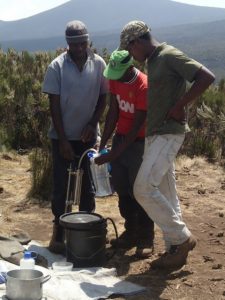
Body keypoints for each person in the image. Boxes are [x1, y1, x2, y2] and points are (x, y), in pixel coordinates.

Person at [119, 20, 215, 269]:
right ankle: (174, 247)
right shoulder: (154, 59)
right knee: (166, 193)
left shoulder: (169, 54)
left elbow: (206, 77)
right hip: (156, 134)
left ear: (137, 42)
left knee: (142, 189)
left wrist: (181, 105)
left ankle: (182, 239)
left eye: (130, 50)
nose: (131, 56)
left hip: (168, 133)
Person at [42, 20, 108, 254]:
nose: (79, 48)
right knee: (61, 185)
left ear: (88, 40)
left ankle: (86, 231)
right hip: (63, 136)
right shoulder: (57, 66)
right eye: (74, 44)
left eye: (82, 43)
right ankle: (59, 232)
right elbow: (54, 105)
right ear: (67, 44)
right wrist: (62, 139)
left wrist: (92, 124)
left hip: (88, 136)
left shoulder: (99, 63)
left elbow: (103, 98)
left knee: (87, 187)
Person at [95, 49, 154, 258]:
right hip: (121, 139)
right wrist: (102, 145)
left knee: (139, 189)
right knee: (122, 187)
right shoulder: (115, 79)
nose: (115, 76)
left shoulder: (143, 86)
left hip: (138, 142)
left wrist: (111, 155)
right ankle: (131, 231)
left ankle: (146, 237)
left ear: (130, 68)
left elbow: (137, 127)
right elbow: (113, 112)